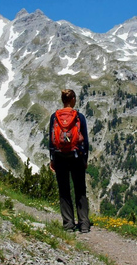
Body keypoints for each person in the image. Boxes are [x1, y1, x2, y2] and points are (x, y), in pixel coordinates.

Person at [49, 89, 90, 233]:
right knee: (80, 190)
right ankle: (84, 224)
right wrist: (85, 158)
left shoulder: (54, 117)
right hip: (76, 156)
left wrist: (52, 159)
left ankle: (68, 224)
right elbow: (85, 140)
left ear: (62, 100)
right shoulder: (79, 117)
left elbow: (51, 140)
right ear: (72, 99)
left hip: (60, 156)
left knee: (64, 190)